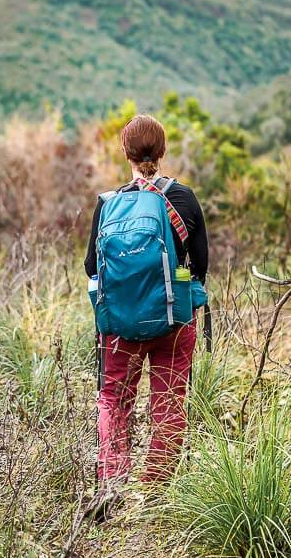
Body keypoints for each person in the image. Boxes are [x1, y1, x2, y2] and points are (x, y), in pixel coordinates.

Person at [84, 113, 208, 509]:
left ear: (125, 153)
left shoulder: (109, 204)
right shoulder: (184, 199)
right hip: (173, 321)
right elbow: (201, 265)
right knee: (169, 402)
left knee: (113, 399)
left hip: (119, 325)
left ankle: (113, 485)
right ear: (164, 150)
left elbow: (92, 267)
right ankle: (155, 493)